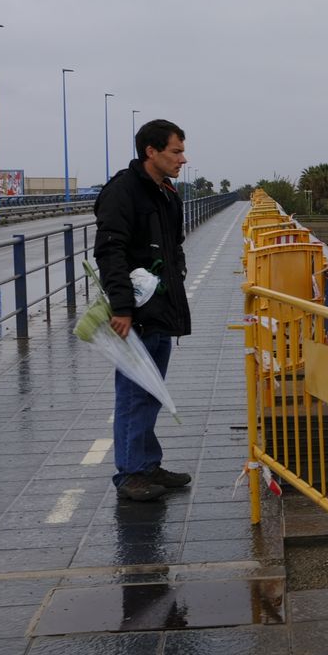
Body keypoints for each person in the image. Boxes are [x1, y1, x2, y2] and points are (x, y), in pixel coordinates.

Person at [93, 119, 193, 502]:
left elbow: (174, 246)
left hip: (161, 307)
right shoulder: (124, 191)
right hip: (134, 311)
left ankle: (147, 464)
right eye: (176, 151)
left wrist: (178, 273)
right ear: (151, 151)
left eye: (182, 150)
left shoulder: (166, 193)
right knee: (135, 391)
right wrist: (122, 306)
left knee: (151, 390)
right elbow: (110, 250)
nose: (183, 158)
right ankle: (131, 473)